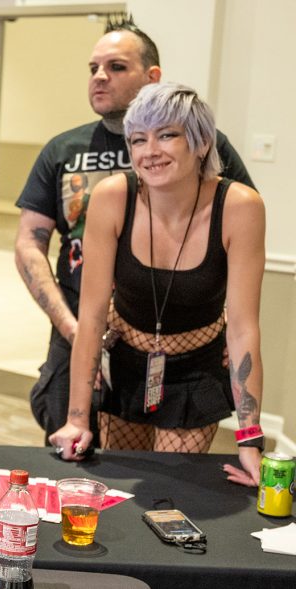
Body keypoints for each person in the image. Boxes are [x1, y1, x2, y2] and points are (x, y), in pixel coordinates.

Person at [14, 15, 255, 446]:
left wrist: (229, 331)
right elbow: (29, 243)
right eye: (93, 68)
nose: (99, 77)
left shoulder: (209, 151)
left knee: (172, 476)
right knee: (83, 451)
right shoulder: (66, 152)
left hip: (186, 337)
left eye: (116, 67)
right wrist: (71, 327)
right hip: (93, 328)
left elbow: (233, 240)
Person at [49, 82, 265, 487]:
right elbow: (92, 317)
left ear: (201, 143)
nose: (150, 151)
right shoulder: (113, 197)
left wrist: (250, 439)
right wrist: (77, 419)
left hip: (197, 370)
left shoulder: (239, 206)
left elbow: (242, 328)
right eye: (138, 139)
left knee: (174, 492)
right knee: (117, 489)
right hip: (127, 364)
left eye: (167, 135)